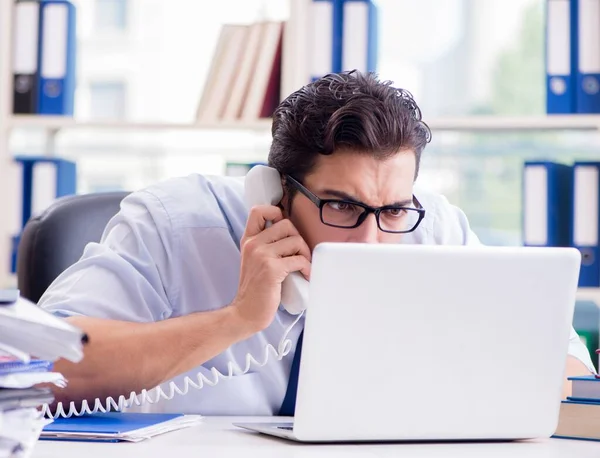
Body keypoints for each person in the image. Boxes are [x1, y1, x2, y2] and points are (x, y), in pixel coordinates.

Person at [40, 71, 595, 416]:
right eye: (344, 207)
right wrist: (235, 321)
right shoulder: (172, 224)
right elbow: (38, 365)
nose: (370, 242)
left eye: (392, 209)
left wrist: (553, 375)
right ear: (277, 193)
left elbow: (560, 355)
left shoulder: (428, 227)